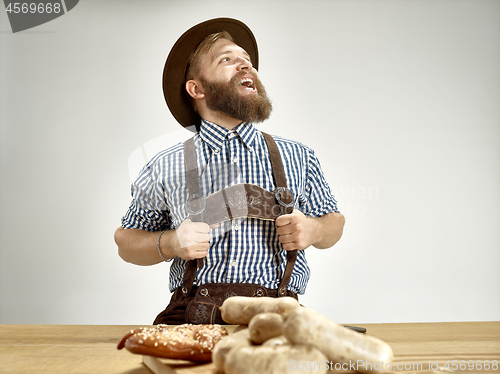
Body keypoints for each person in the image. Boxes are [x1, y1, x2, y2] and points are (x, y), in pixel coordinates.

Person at [114, 18, 345, 324]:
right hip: (191, 316)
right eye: (227, 60)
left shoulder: (297, 156)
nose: (245, 66)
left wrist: (314, 230)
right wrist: (171, 243)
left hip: (278, 317)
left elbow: (335, 223)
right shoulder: (164, 164)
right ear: (196, 89)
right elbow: (126, 242)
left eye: (247, 61)